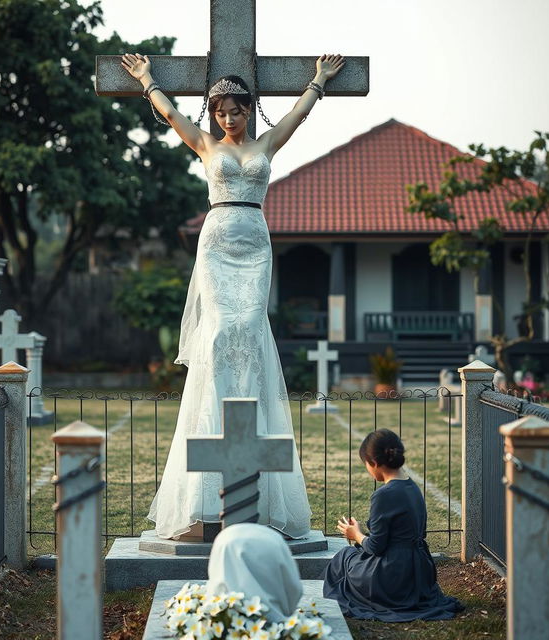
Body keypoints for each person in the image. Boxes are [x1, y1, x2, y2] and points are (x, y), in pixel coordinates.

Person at [121, 52, 345, 539]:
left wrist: (319, 81)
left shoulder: (266, 142)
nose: (228, 118)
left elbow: (297, 116)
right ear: (215, 113)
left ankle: (251, 436)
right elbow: (171, 114)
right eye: (221, 111)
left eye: (236, 110)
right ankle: (213, 452)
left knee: (249, 331)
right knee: (222, 333)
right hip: (218, 241)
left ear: (248, 110)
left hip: (256, 242)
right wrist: (147, 80)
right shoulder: (204, 143)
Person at [323, 428, 465, 621]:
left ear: (373, 463)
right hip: (420, 571)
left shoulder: (383, 495)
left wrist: (355, 534)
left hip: (393, 574)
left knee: (344, 557)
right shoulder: (412, 486)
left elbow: (376, 547)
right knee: (354, 556)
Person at [205, 523, 303, 623]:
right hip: (275, 623)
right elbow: (293, 588)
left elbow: (215, 586)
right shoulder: (273, 540)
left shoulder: (224, 541)